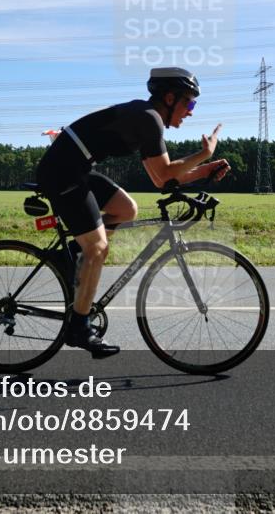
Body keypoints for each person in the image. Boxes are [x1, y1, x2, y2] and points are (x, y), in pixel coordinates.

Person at [35, 67, 231, 358]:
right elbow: (166, 173)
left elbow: (161, 179)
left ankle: (72, 254)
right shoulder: (149, 118)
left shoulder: (147, 119)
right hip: (62, 173)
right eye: (189, 104)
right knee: (98, 248)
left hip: (75, 169)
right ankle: (79, 327)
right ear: (169, 98)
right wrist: (205, 154)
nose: (190, 112)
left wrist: (204, 171)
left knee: (126, 209)